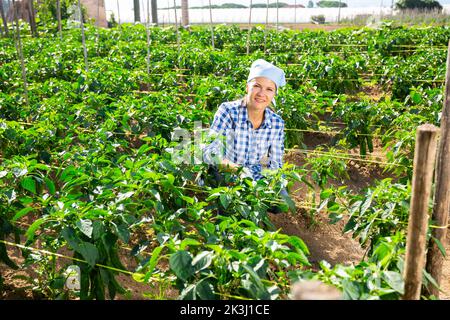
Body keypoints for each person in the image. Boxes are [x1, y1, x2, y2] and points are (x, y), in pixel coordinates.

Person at [202, 59, 288, 212]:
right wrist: (239, 171)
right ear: (247, 87)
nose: (262, 94)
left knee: (280, 202)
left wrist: (270, 183)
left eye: (269, 89)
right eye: (257, 86)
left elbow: (275, 162)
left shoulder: (276, 122)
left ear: (274, 94)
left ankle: (252, 212)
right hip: (226, 171)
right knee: (227, 202)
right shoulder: (228, 111)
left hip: (255, 175)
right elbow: (211, 153)